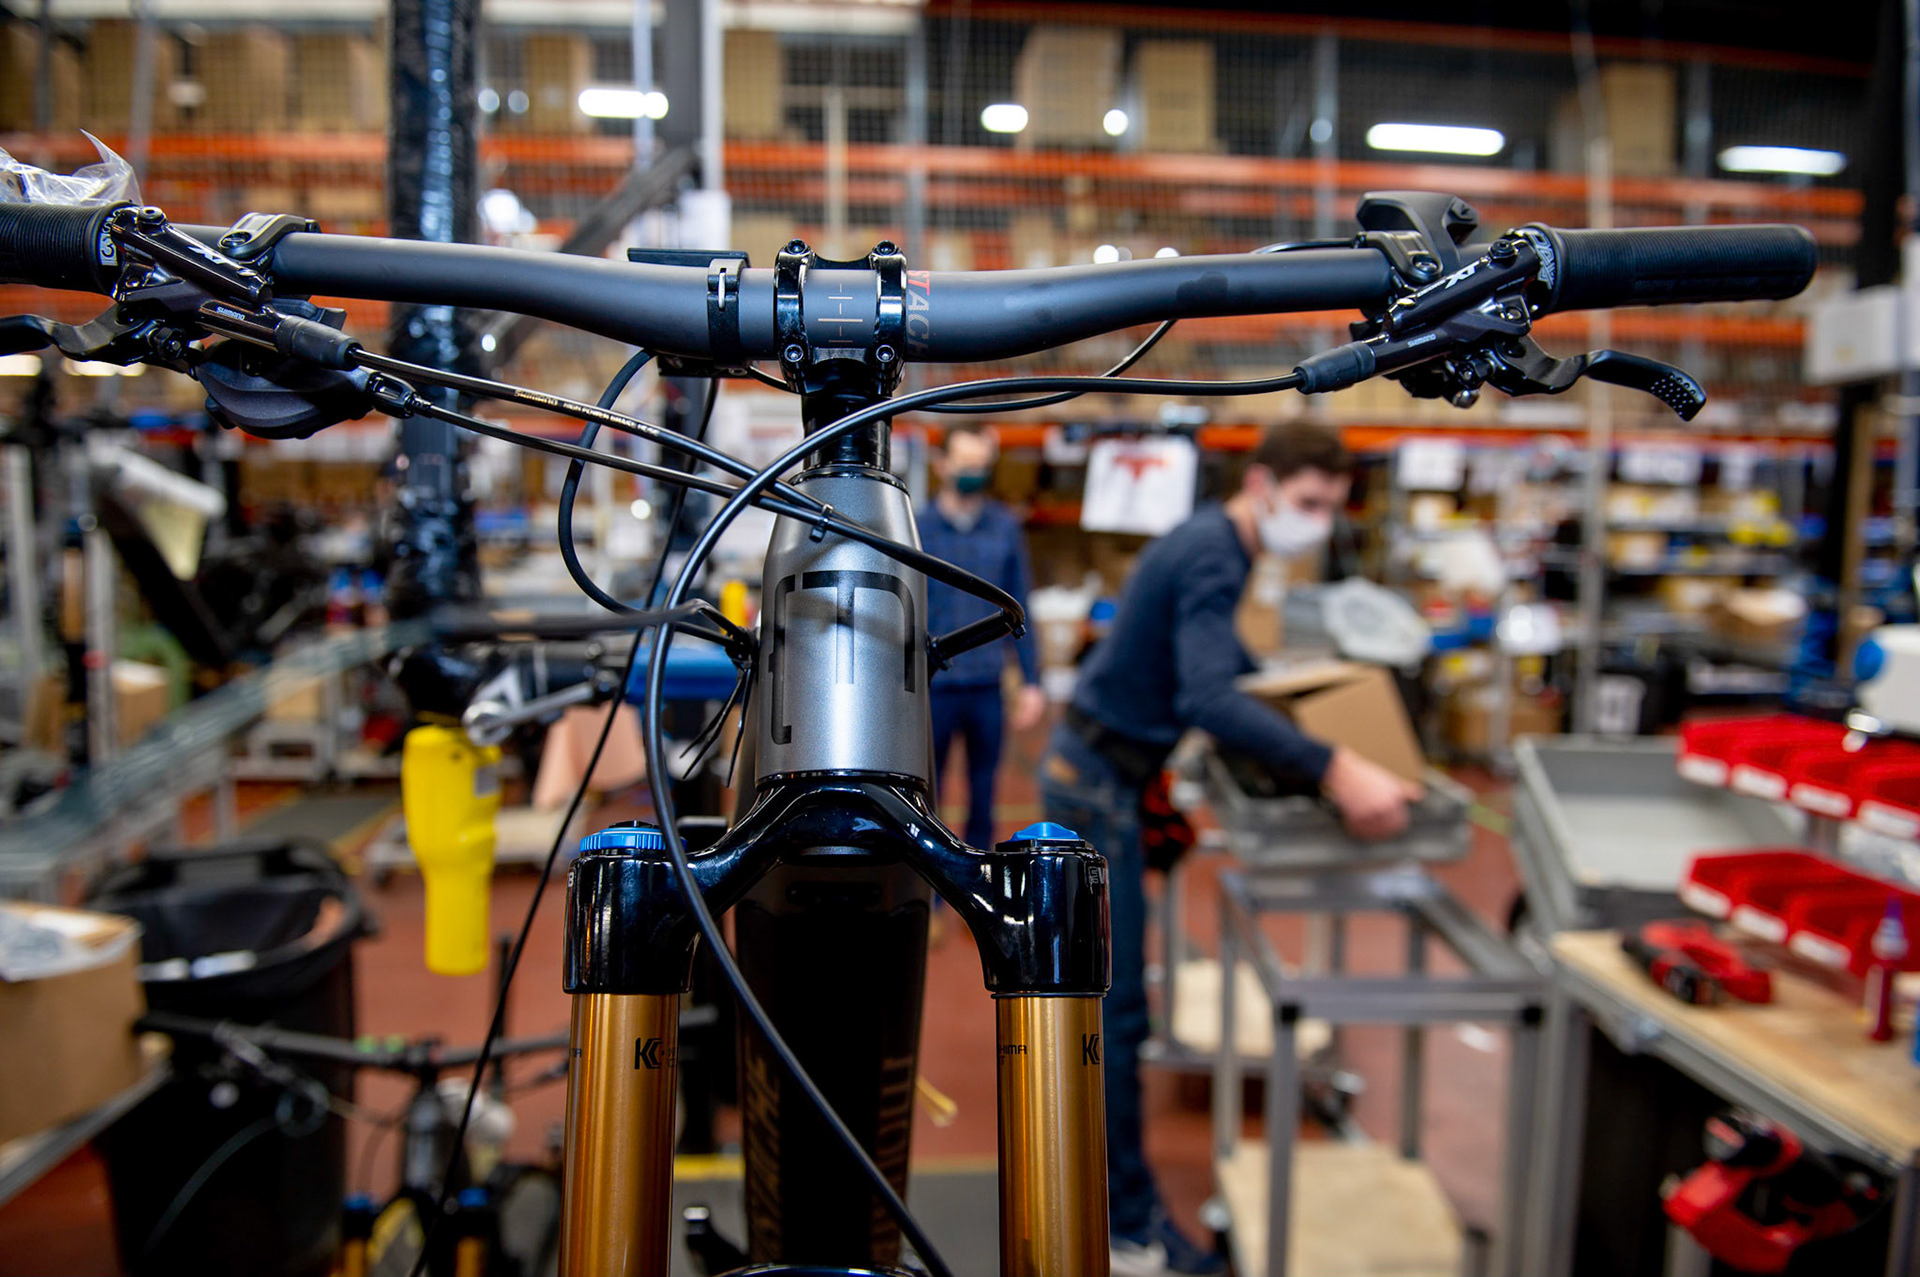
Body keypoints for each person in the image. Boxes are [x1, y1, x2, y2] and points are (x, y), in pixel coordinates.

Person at [1039, 422, 1423, 1275]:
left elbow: (1224, 670)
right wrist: (1337, 766)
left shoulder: (1217, 543)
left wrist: (1297, 710)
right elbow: (1209, 694)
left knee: (1112, 1007)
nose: (1318, 520)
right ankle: (1129, 1232)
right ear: (1264, 483)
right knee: (1116, 1012)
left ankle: (1118, 1213)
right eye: (1311, 502)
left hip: (1109, 774)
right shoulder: (1215, 552)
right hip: (1097, 784)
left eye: (1332, 507)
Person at [916, 422, 1048, 852]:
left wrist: (1032, 681)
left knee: (984, 789)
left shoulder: (1005, 527)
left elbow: (1021, 607)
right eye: (965, 463)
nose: (974, 472)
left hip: (987, 685)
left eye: (981, 465)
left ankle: (979, 880)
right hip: (932, 685)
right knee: (923, 791)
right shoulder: (917, 529)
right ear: (942, 464)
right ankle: (931, 882)